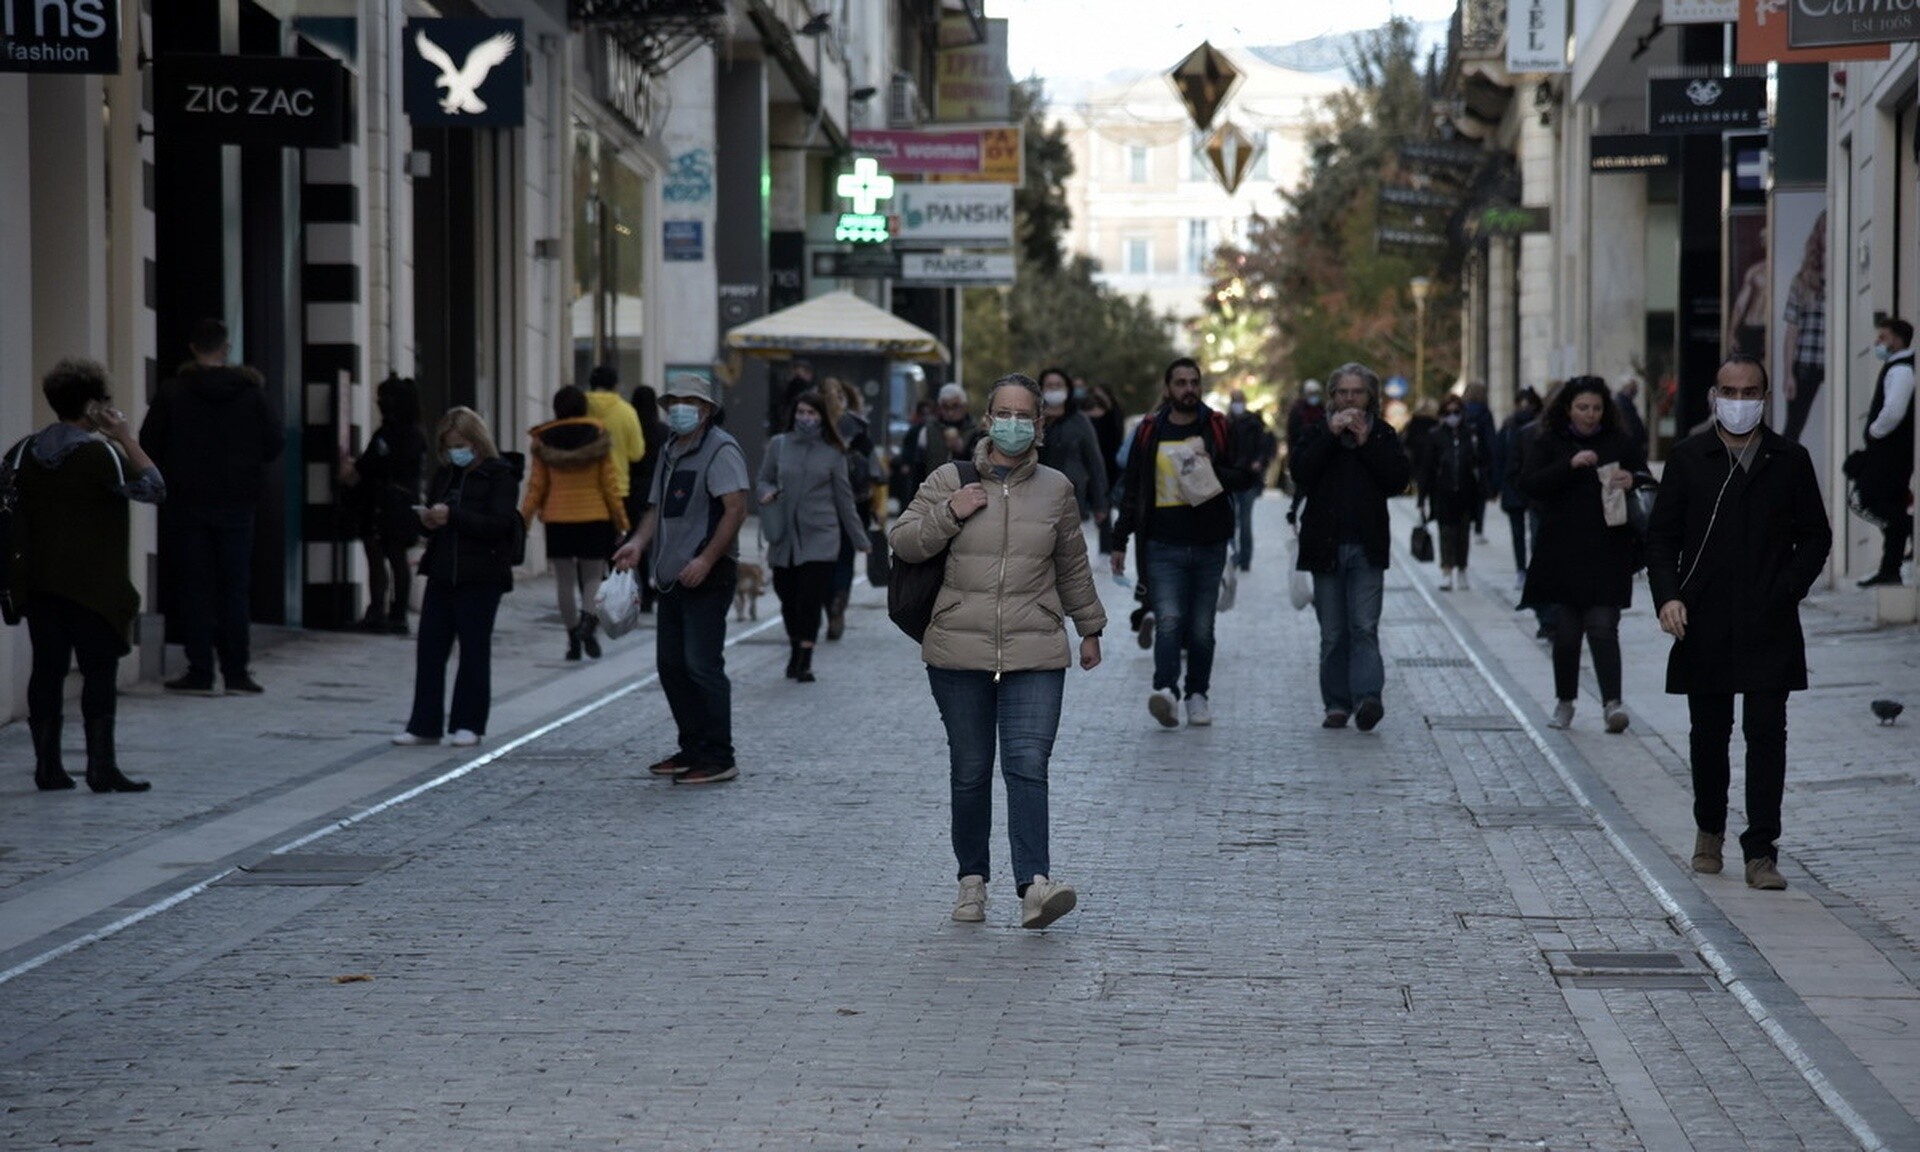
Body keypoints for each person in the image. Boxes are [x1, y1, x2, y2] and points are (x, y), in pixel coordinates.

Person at [890, 372, 1105, 929]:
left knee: (1028, 765)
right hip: (958, 649)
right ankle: (971, 881)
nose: (1012, 424)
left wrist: (1089, 627)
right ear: (987, 421)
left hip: (1035, 647)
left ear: (1039, 425)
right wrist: (951, 511)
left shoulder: (1056, 489)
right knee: (970, 769)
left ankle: (1035, 885)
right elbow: (904, 541)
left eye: (1023, 416)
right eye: (1002, 414)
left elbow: (1072, 565)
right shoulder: (947, 478)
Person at [1646, 354, 1831, 891]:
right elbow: (1661, 538)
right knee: (1709, 733)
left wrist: (1787, 588)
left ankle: (1762, 850)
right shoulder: (1688, 458)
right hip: (1703, 619)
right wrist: (1668, 598)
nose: (1740, 399)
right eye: (1731, 390)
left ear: (1764, 397)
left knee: (1767, 733)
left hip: (1768, 619)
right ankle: (1709, 829)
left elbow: (1816, 535)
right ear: (1714, 395)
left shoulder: (1789, 459)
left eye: (1751, 391)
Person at [11, 359, 166, 792]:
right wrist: (125, 438)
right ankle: (101, 766)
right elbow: (155, 487)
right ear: (95, 406)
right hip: (95, 587)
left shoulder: (25, 452)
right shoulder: (100, 455)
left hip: (40, 583)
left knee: (47, 669)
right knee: (99, 672)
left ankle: (48, 766)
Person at [612, 375, 750, 785]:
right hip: (670, 576)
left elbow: (735, 509)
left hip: (708, 574)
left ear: (706, 410)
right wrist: (637, 544)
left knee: (701, 665)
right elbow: (655, 509)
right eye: (674, 401)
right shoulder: (670, 449)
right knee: (671, 665)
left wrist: (706, 559)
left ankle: (719, 755)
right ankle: (692, 747)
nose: (679, 409)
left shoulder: (721, 449)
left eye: (689, 402)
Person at [1110, 357, 1258, 729]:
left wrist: (1212, 469)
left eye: (1194, 382)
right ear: (1167, 388)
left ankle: (1197, 694)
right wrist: (1119, 539)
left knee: (1202, 628)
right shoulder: (1149, 430)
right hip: (1162, 543)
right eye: (1180, 382)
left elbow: (1244, 476)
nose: (1188, 389)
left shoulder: (1217, 427)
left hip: (1209, 542)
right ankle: (1166, 691)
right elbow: (1133, 489)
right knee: (1170, 620)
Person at [140, 317, 284, 696]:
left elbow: (148, 442)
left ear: (192, 347)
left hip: (187, 503)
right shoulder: (251, 394)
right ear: (225, 348)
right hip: (237, 502)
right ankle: (237, 672)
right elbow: (274, 443)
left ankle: (200, 669)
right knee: (234, 589)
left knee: (195, 586)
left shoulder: (173, 392)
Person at [1518, 376, 1647, 733]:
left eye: (1596, 408)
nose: (1590, 415)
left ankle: (1613, 704)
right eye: (1582, 408)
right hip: (1563, 551)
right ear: (1568, 409)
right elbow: (1529, 484)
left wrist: (1631, 479)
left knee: (1604, 627)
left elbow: (1647, 479)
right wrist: (1569, 465)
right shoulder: (1550, 441)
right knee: (1567, 632)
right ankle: (1565, 701)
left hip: (1609, 549)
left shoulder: (1619, 442)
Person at [1292, 362, 1411, 731]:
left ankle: (1368, 698)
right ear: (1332, 397)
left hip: (1367, 545)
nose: (1348, 399)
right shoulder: (1316, 432)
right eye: (1342, 392)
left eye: (1356, 392)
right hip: (1324, 546)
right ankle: (1337, 704)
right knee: (1333, 633)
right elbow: (1300, 474)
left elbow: (1397, 481)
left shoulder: (1383, 434)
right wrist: (1329, 436)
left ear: (1370, 396)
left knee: (1363, 625)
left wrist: (1366, 443)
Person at [391, 408, 520, 748]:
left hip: (482, 574)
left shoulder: (500, 476)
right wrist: (427, 521)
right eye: (449, 447)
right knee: (430, 649)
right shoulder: (446, 474)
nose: (455, 452)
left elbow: (499, 524)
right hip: (442, 571)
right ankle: (424, 724)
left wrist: (455, 516)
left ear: (477, 442)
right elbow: (434, 514)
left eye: (461, 445)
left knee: (474, 650)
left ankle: (469, 723)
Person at [758, 391, 868, 682]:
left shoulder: (833, 452)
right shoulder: (778, 446)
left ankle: (804, 658)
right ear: (793, 414)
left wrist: (860, 539)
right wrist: (766, 493)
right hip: (784, 536)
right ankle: (796, 645)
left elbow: (844, 500)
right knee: (786, 596)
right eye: (801, 412)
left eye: (812, 413)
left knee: (809, 598)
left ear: (821, 417)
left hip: (821, 535)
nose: (805, 418)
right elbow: (764, 478)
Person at [521, 386, 630, 660]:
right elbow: (609, 485)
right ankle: (588, 626)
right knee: (593, 577)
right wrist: (622, 522)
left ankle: (572, 641)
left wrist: (522, 522)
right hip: (594, 517)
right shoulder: (599, 436)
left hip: (558, 519)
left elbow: (536, 487)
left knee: (564, 582)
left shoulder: (544, 440)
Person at [341, 375, 425, 634]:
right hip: (403, 503)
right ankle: (397, 614)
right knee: (396, 558)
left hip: (383, 504)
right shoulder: (416, 434)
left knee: (379, 556)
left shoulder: (388, 434)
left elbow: (369, 465)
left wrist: (352, 469)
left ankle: (379, 612)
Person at [1857, 317, 1914, 587]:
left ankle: (1909, 528)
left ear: (1898, 339)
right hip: (1888, 453)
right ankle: (1890, 568)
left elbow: (1893, 411)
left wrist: (1875, 431)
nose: (1878, 342)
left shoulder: (1901, 370)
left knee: (1872, 500)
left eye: (1884, 336)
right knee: (1887, 505)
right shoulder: (1895, 366)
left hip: (1891, 454)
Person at [820, 376, 876, 640]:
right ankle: (840, 597)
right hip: (856, 502)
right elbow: (873, 467)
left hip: (821, 504)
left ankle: (829, 603)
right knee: (844, 559)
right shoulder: (857, 425)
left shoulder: (816, 425)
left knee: (823, 560)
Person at [1417, 393, 1490, 591]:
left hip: (1467, 491)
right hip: (1443, 492)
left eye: (1456, 412)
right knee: (1446, 533)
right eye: (1448, 412)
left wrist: (1485, 488)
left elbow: (1480, 462)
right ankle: (1447, 570)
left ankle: (1462, 569)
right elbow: (1427, 467)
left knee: (1463, 533)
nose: (1452, 416)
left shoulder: (1470, 435)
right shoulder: (1435, 435)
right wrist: (1422, 497)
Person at [1035, 366, 1109, 532]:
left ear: (1067, 389)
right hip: (1037, 500)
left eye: (1058, 385)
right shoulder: (1033, 420)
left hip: (1072, 500)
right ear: (1041, 389)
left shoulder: (1079, 421)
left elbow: (1094, 462)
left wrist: (1100, 503)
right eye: (1049, 385)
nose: (1054, 389)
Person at [585, 364, 649, 535]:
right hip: (617, 488)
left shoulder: (580, 407)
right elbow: (637, 454)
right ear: (615, 386)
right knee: (614, 547)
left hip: (584, 489)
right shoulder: (627, 412)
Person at [1781, 213, 1828, 443]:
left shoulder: (1843, 276)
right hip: (1807, 361)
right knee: (1794, 427)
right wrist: (1788, 373)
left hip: (1833, 361)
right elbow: (1792, 331)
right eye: (1825, 231)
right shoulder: (1802, 281)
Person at [1492, 387, 1543, 588]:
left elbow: (1500, 458)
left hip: (1524, 485)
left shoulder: (1513, 426)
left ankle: (1525, 570)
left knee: (1527, 531)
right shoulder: (1511, 427)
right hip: (1520, 485)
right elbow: (1501, 457)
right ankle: (1525, 570)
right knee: (1526, 531)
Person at [630, 384, 670, 613]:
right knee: (656, 542)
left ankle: (643, 589)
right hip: (657, 490)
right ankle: (657, 586)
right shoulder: (663, 431)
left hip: (633, 490)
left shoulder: (632, 428)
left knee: (638, 541)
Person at [1224, 390, 1274, 572]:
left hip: (1248, 479)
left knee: (1245, 522)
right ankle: (1233, 556)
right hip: (1230, 478)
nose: (1237, 404)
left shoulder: (1254, 423)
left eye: (1240, 401)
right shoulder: (1224, 423)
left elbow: (1264, 447)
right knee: (1230, 521)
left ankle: (1245, 559)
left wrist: (1258, 462)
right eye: (1234, 401)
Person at [901, 384, 974, 490]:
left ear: (964, 406)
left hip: (965, 491)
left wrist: (963, 451)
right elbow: (918, 469)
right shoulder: (928, 431)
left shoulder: (974, 432)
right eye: (945, 407)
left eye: (955, 406)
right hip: (934, 491)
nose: (950, 412)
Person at [1284, 379, 1326, 523]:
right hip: (1303, 454)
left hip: (1320, 455)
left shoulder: (1323, 409)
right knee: (1302, 487)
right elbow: (1292, 434)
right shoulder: (1298, 410)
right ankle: (1295, 511)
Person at [1461, 382, 1497, 543]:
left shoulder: (1461, 411)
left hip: (1464, 459)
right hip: (1481, 461)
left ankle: (1466, 524)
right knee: (1480, 496)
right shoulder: (1485, 413)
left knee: (1466, 494)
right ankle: (1478, 530)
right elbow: (1490, 440)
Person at [1613, 375, 1648, 449]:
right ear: (1625, 387)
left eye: (1635, 387)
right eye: (1632, 387)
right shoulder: (1621, 404)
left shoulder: (1628, 403)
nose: (1635, 390)